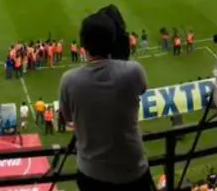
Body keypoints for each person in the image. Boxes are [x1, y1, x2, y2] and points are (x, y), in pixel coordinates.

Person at [59, 11, 152, 191]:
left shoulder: (69, 80)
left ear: (83, 43)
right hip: (133, 168)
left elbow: (68, 118)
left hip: (92, 173)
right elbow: (142, 89)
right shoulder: (133, 71)